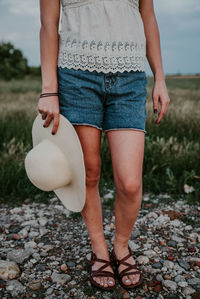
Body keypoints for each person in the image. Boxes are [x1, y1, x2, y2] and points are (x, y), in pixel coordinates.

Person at [38, 0, 170, 290]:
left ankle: (121, 246)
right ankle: (100, 250)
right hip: (76, 76)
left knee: (130, 182)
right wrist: (49, 89)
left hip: (130, 77)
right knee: (90, 172)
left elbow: (147, 13)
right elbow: (49, 24)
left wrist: (159, 76)